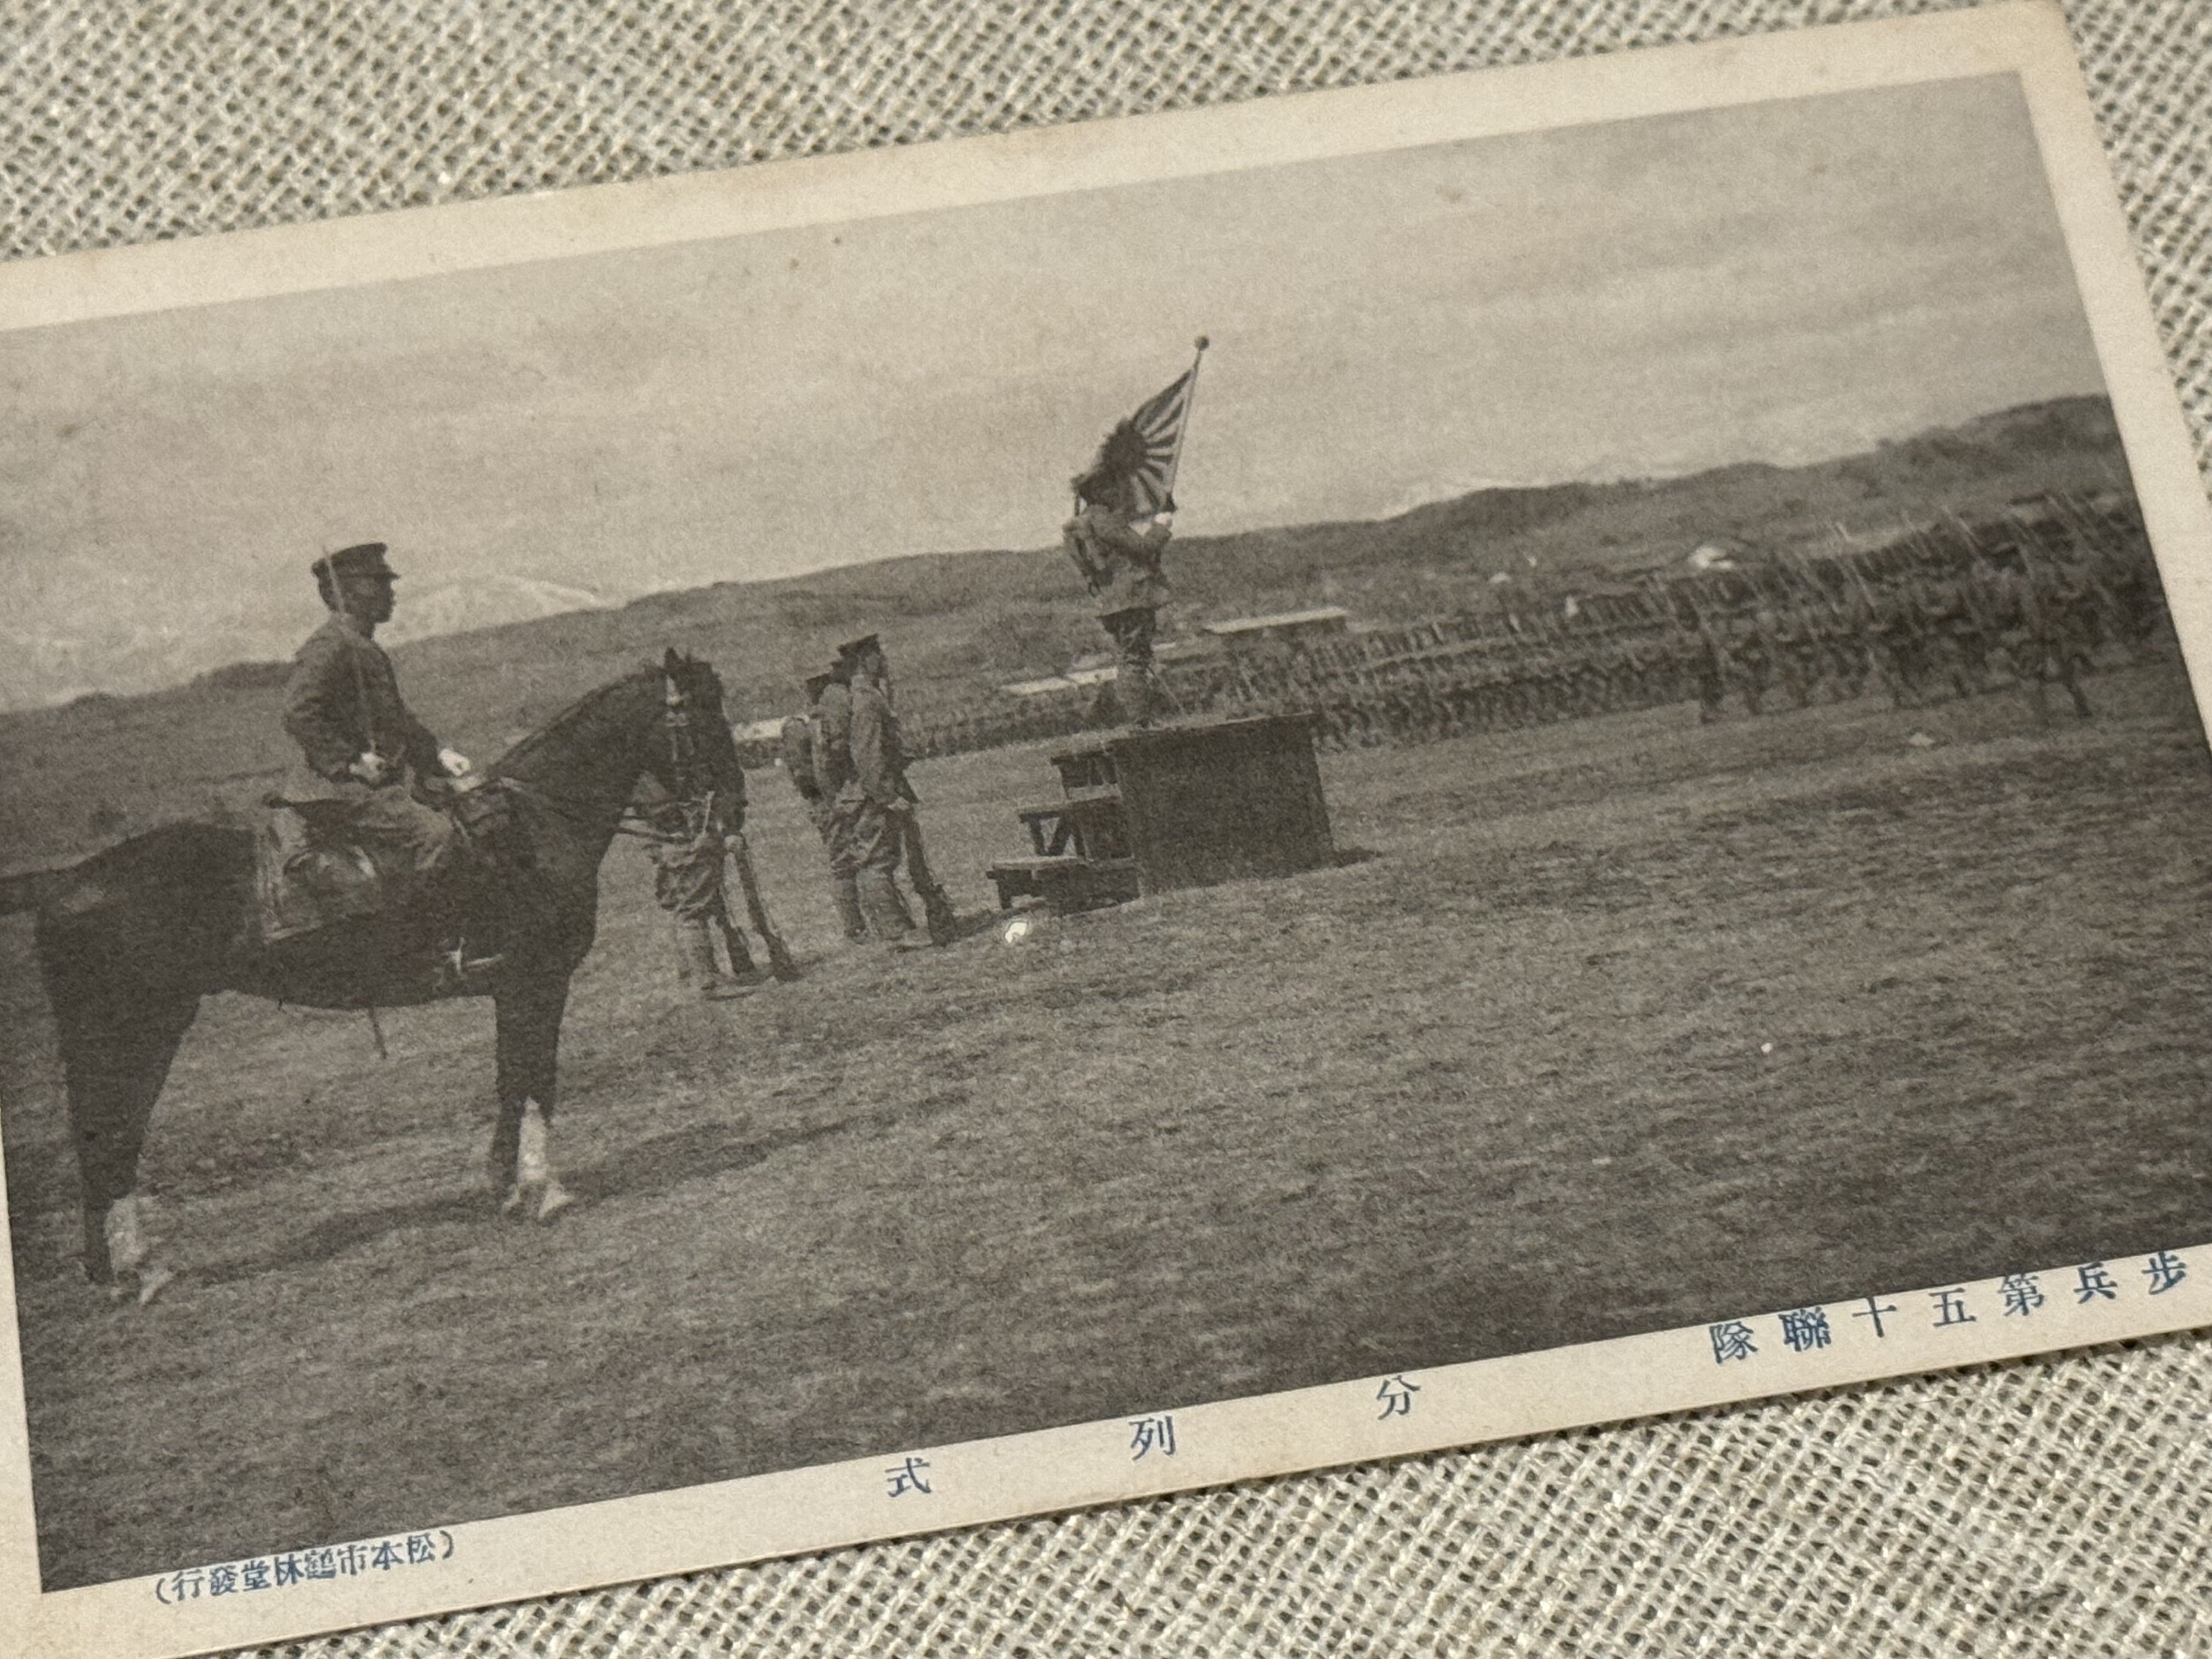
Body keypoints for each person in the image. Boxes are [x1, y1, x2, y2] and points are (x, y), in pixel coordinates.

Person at [280, 541, 492, 987]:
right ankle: (430, 953)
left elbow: (395, 721)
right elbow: (299, 711)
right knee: (437, 835)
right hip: (337, 790)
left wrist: (436, 755)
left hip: (364, 785)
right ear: (343, 595)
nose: (389, 592)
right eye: (375, 584)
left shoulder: (360, 645)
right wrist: (351, 763)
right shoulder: (331, 647)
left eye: (386, 583)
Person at [832, 634, 952, 947]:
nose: (883, 660)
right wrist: (888, 796)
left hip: (874, 791)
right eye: (877, 655)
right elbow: (868, 755)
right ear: (864, 660)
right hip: (874, 796)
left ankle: (898, 930)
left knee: (881, 860)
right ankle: (897, 933)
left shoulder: (866, 695)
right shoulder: (867, 700)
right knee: (877, 862)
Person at [1063, 469, 1173, 727]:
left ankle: (1143, 718)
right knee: (1135, 658)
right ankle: (1141, 721)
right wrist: (1162, 524)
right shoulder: (1103, 520)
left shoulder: (1079, 525)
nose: (1119, 493)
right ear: (1100, 493)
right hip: (1132, 598)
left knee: (1131, 656)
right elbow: (1144, 548)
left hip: (1111, 602)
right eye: (1112, 488)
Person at [781, 669, 868, 943]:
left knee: (854, 859)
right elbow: (804, 776)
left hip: (835, 798)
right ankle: (854, 928)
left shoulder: (814, 721)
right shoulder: (799, 726)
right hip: (824, 802)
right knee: (843, 863)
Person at [645, 795, 761, 1000]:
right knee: (693, 909)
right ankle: (708, 982)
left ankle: (691, 975)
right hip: (686, 834)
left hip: (669, 833)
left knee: (688, 904)